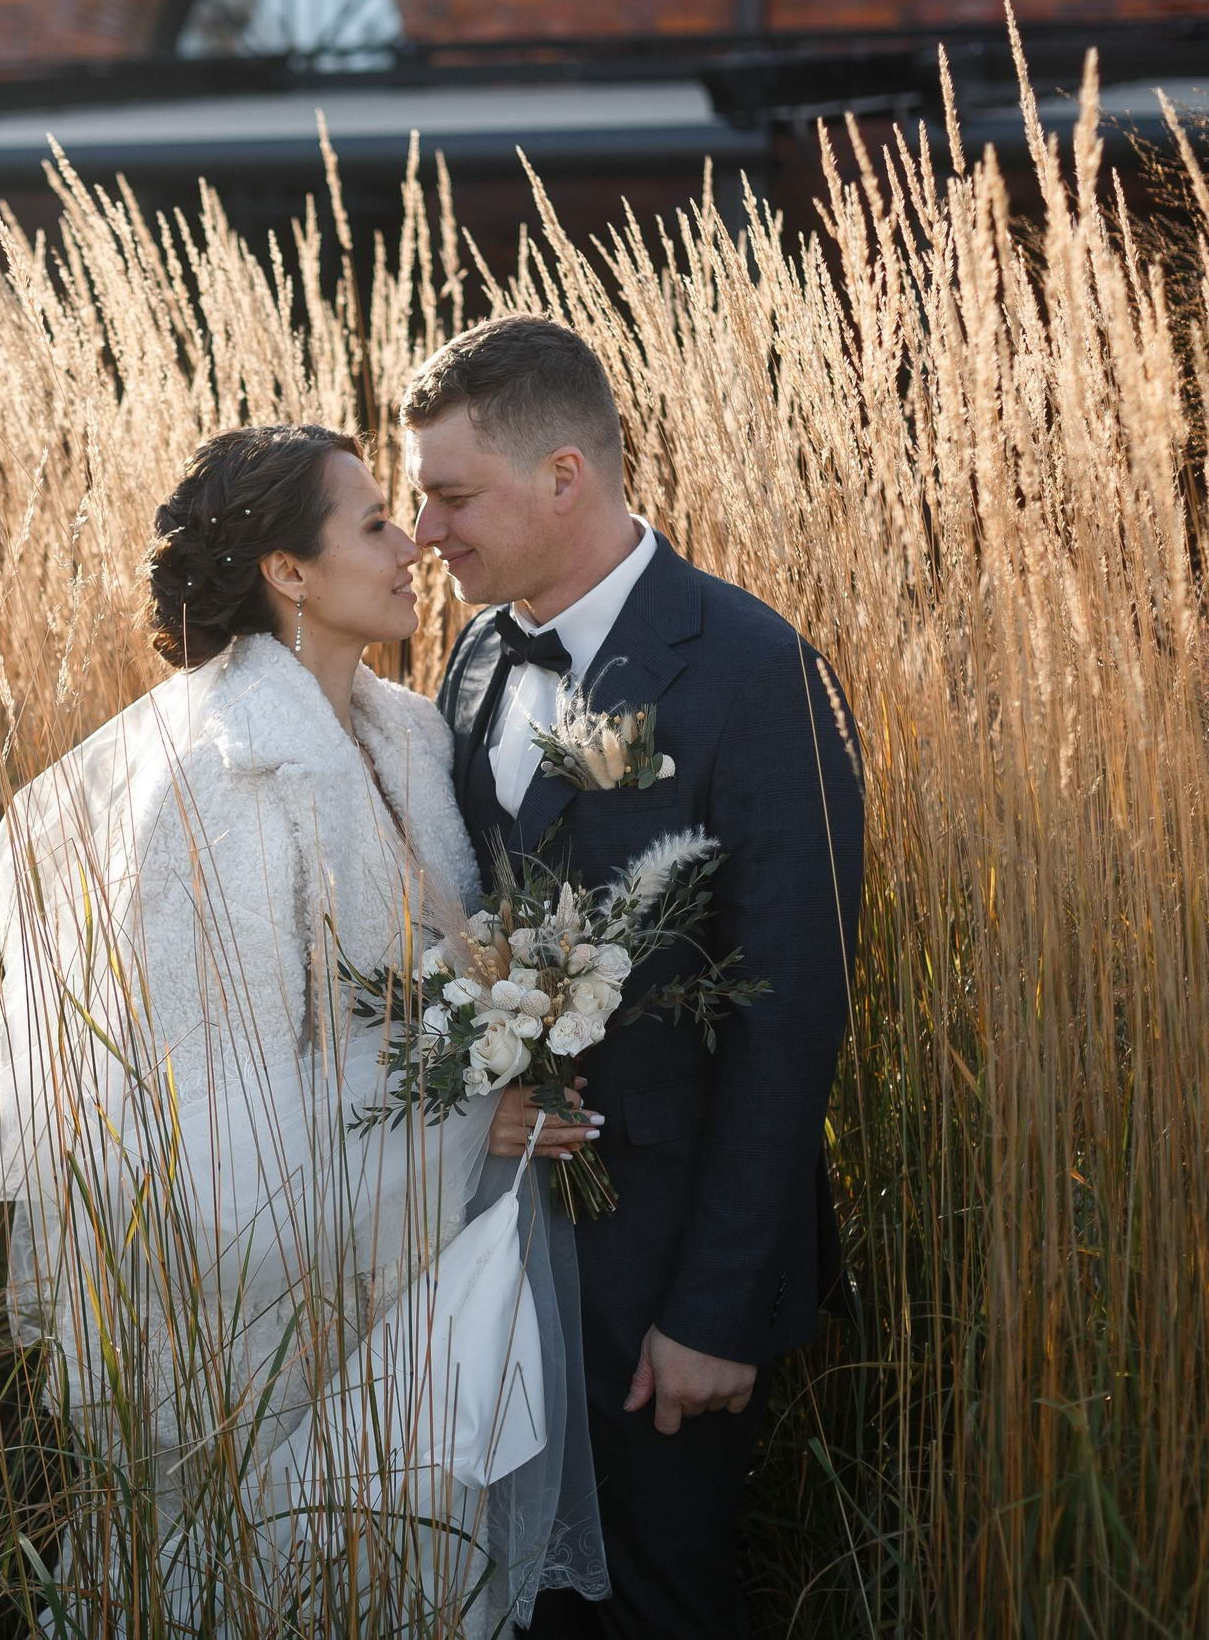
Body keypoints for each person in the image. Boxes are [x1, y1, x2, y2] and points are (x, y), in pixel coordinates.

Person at [0, 424, 607, 1636]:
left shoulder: (409, 732)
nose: (412, 539)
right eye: (371, 523)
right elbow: (213, 1113)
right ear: (287, 572)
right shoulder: (221, 777)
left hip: (412, 1285)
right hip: (271, 1322)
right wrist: (475, 1114)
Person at [407, 316, 866, 1639]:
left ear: (564, 476)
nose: (427, 530)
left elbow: (792, 1009)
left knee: (661, 1605)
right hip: (495, 1249)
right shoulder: (482, 655)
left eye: (451, 495)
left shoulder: (752, 670)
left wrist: (717, 1308)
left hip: (666, 1274)